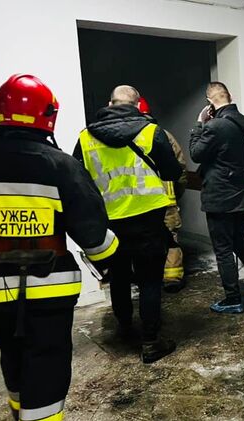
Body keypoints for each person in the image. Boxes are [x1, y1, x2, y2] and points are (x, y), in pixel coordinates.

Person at [0, 74, 118, 421]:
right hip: (50, 291)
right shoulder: (61, 166)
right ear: (48, 115)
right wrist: (112, 259)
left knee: (12, 353)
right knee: (46, 363)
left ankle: (18, 411)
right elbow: (94, 237)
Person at [73, 85, 182, 363]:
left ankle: (124, 327)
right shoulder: (151, 132)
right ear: (136, 106)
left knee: (119, 278)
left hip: (110, 223)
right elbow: (172, 171)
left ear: (110, 104)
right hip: (148, 220)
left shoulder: (85, 137)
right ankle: (151, 342)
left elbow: (78, 180)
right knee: (149, 281)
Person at [189, 82, 244, 314]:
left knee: (223, 249)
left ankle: (233, 299)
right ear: (230, 96)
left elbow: (196, 154)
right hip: (241, 194)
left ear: (209, 103)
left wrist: (198, 124)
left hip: (220, 197)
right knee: (240, 243)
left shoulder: (213, 126)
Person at [138, 97, 188, 293]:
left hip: (137, 203)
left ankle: (146, 276)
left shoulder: (124, 139)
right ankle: (172, 277)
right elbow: (180, 169)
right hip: (166, 200)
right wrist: (177, 193)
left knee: (142, 239)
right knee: (171, 238)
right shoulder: (164, 135)